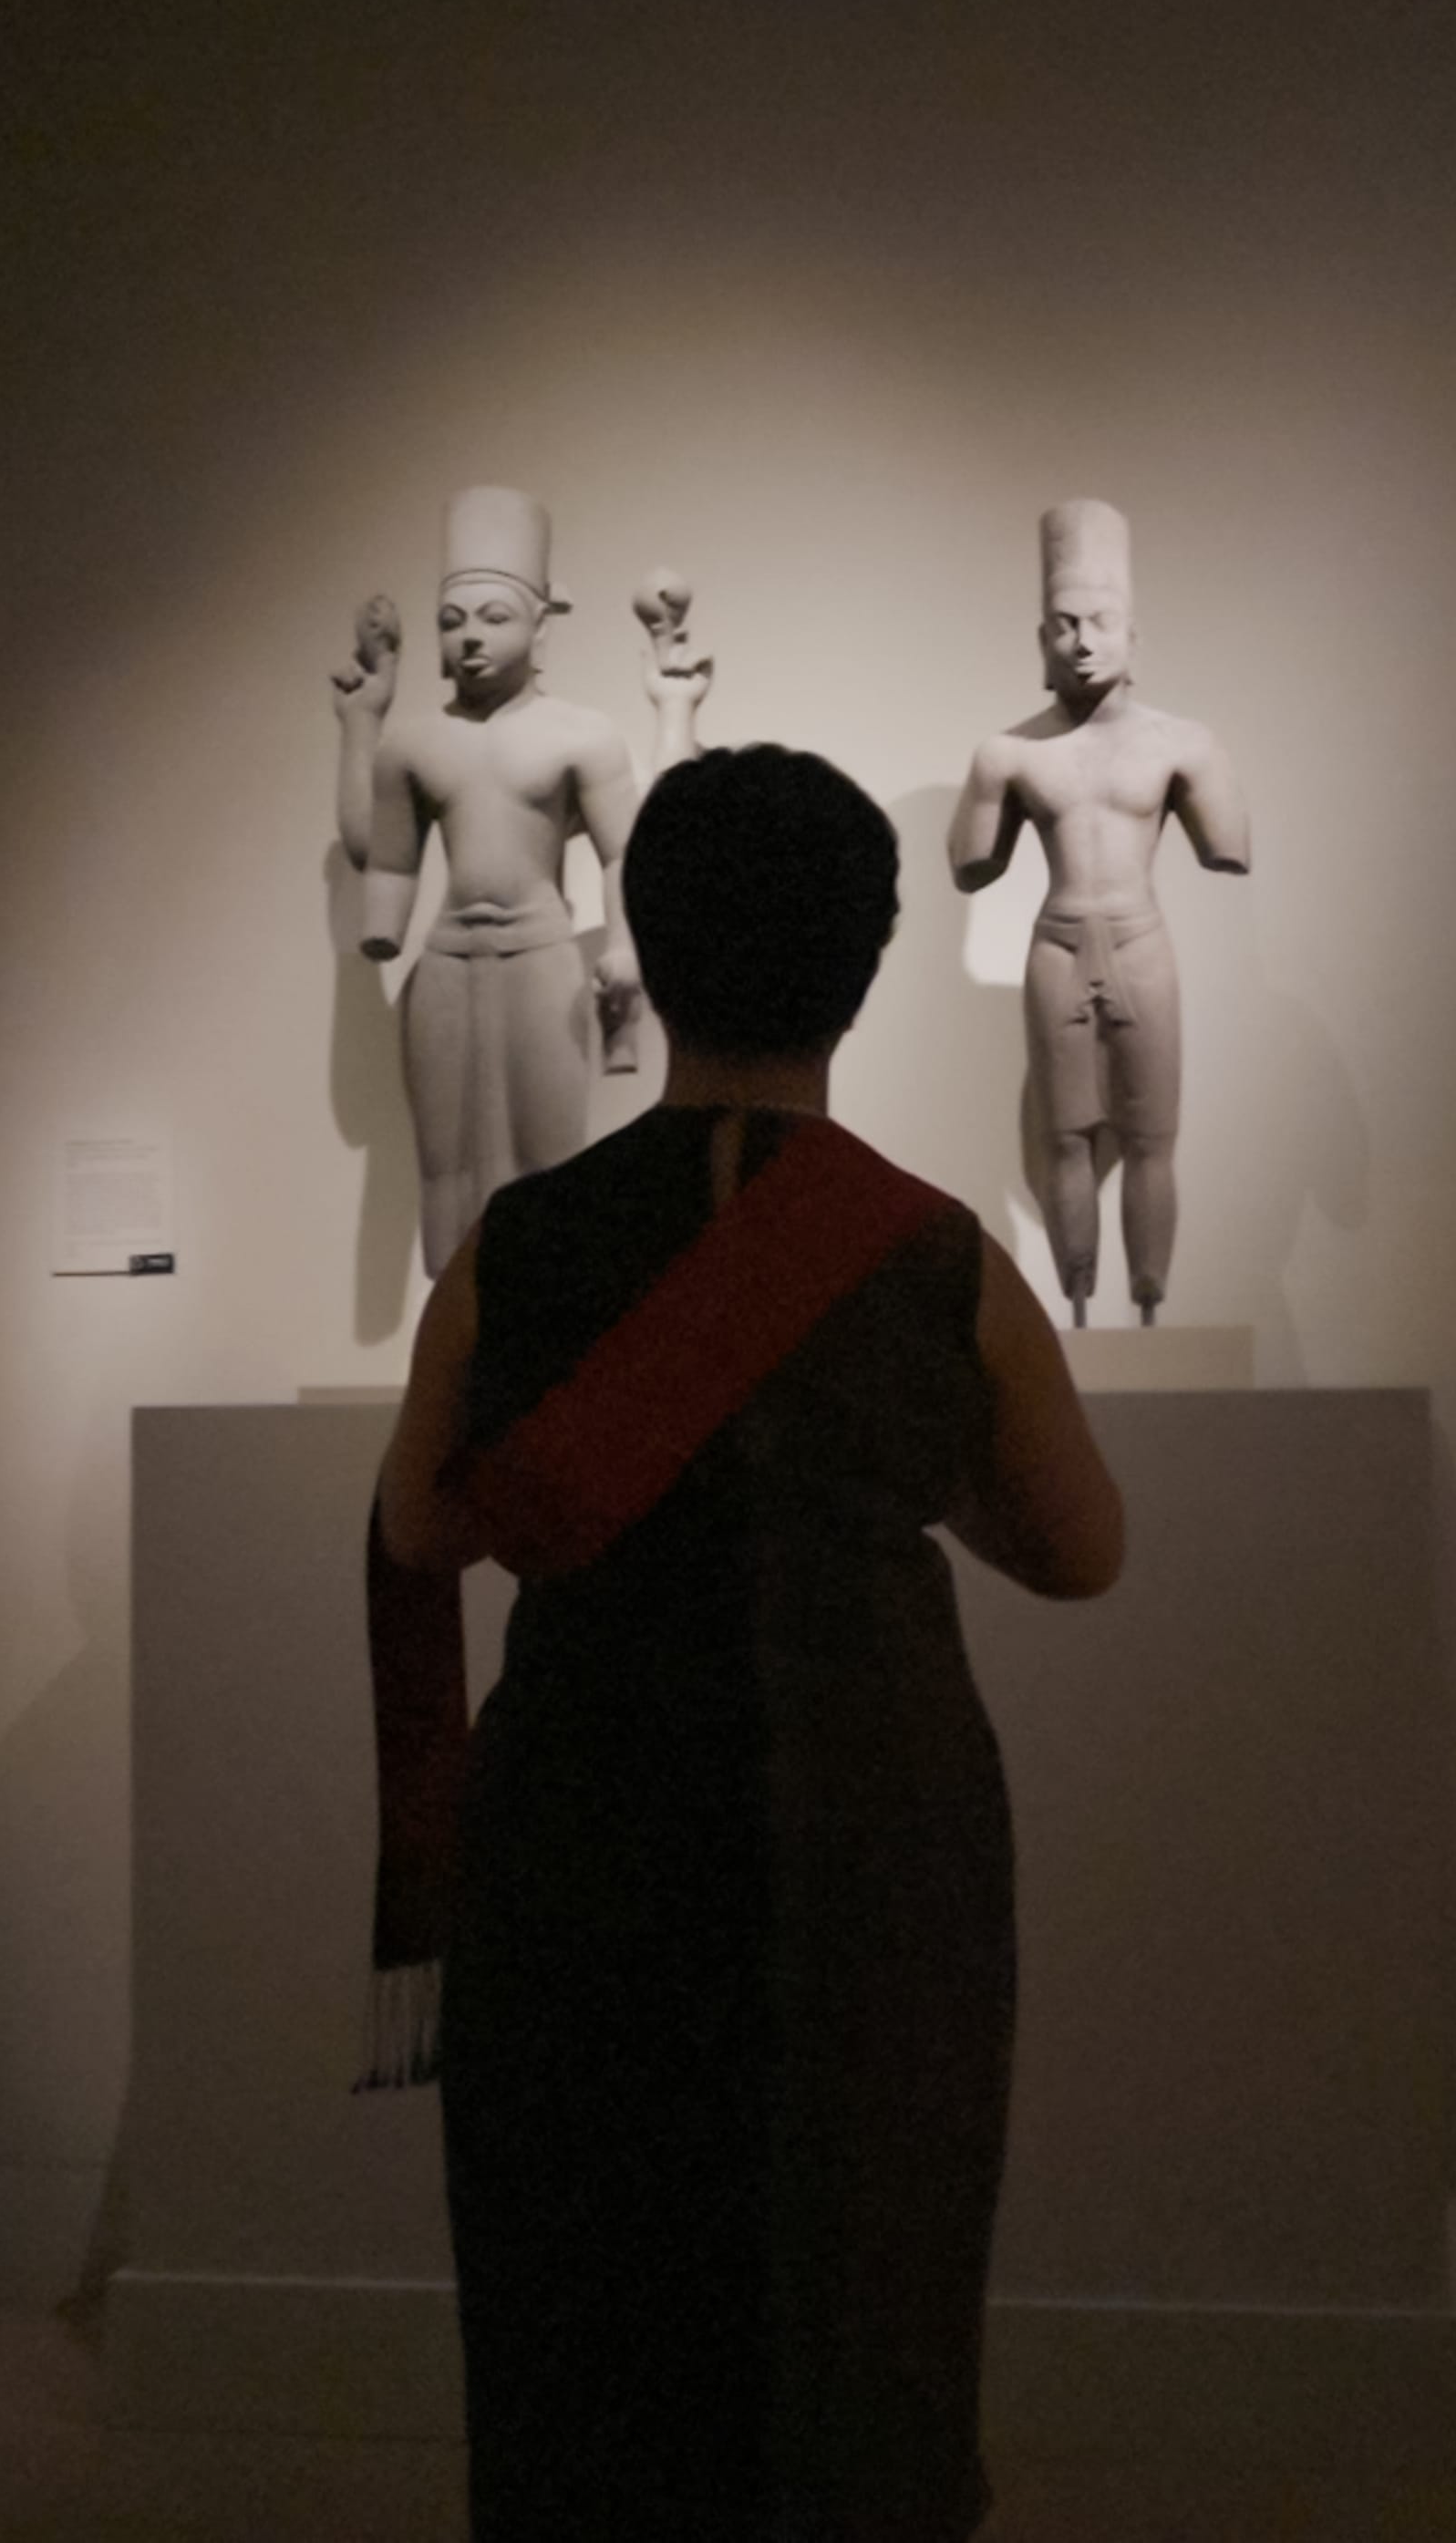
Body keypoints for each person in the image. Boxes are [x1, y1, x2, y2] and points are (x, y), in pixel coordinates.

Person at [368, 743, 1124, 2541]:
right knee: (863, 2276)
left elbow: (420, 1528)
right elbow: (1081, 1549)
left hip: (584, 1828)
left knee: (589, 2285)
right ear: (862, 965)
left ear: (642, 934)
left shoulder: (518, 1246)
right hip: (869, 1827)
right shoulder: (939, 1255)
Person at [332, 485, 707, 1276]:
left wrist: (627, 948)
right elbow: (383, 853)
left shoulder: (581, 736)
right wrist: (363, 724)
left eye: (494, 617)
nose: (470, 637)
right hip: (445, 960)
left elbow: (627, 851)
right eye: (452, 620)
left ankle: (543, 1324)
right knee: (444, 1165)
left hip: (541, 957)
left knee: (548, 1159)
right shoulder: (415, 743)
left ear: (541, 627)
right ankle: (458, 1329)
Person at [947, 498, 1250, 1325]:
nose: (1082, 642)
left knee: (1152, 1140)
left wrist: (1210, 774)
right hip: (1057, 944)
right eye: (1065, 625)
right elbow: (969, 863)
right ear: (1041, 641)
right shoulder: (1010, 753)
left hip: (1141, 942)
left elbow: (1230, 845)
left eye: (1101, 623)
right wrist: (986, 788)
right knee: (1065, 1138)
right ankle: (1077, 1303)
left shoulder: (1181, 743)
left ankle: (1149, 1295)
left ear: (1133, 637)